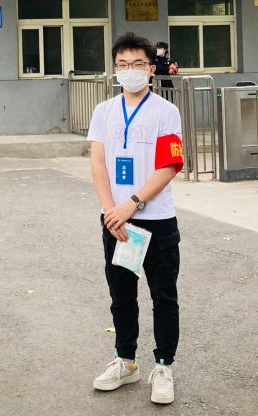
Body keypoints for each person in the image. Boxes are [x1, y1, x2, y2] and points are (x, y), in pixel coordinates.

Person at [88, 32, 184, 405]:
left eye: (138, 64)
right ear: (115, 69)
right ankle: (126, 361)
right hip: (116, 222)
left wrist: (132, 203)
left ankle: (163, 366)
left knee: (163, 296)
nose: (130, 70)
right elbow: (98, 163)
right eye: (123, 64)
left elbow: (169, 166)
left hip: (155, 220)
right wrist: (110, 210)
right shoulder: (104, 111)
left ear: (150, 68)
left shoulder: (166, 112)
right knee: (122, 296)